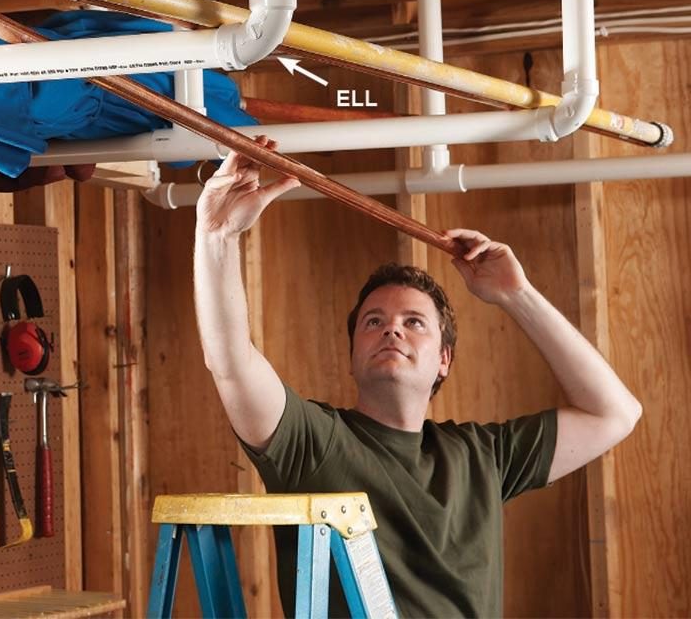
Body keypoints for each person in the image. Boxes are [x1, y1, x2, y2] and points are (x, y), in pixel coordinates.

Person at [193, 137, 642, 618]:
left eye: (414, 322)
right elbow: (232, 363)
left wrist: (517, 294)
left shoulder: (483, 458)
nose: (392, 329)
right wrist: (217, 236)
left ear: (444, 360)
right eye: (374, 321)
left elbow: (614, 414)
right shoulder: (314, 443)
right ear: (353, 355)